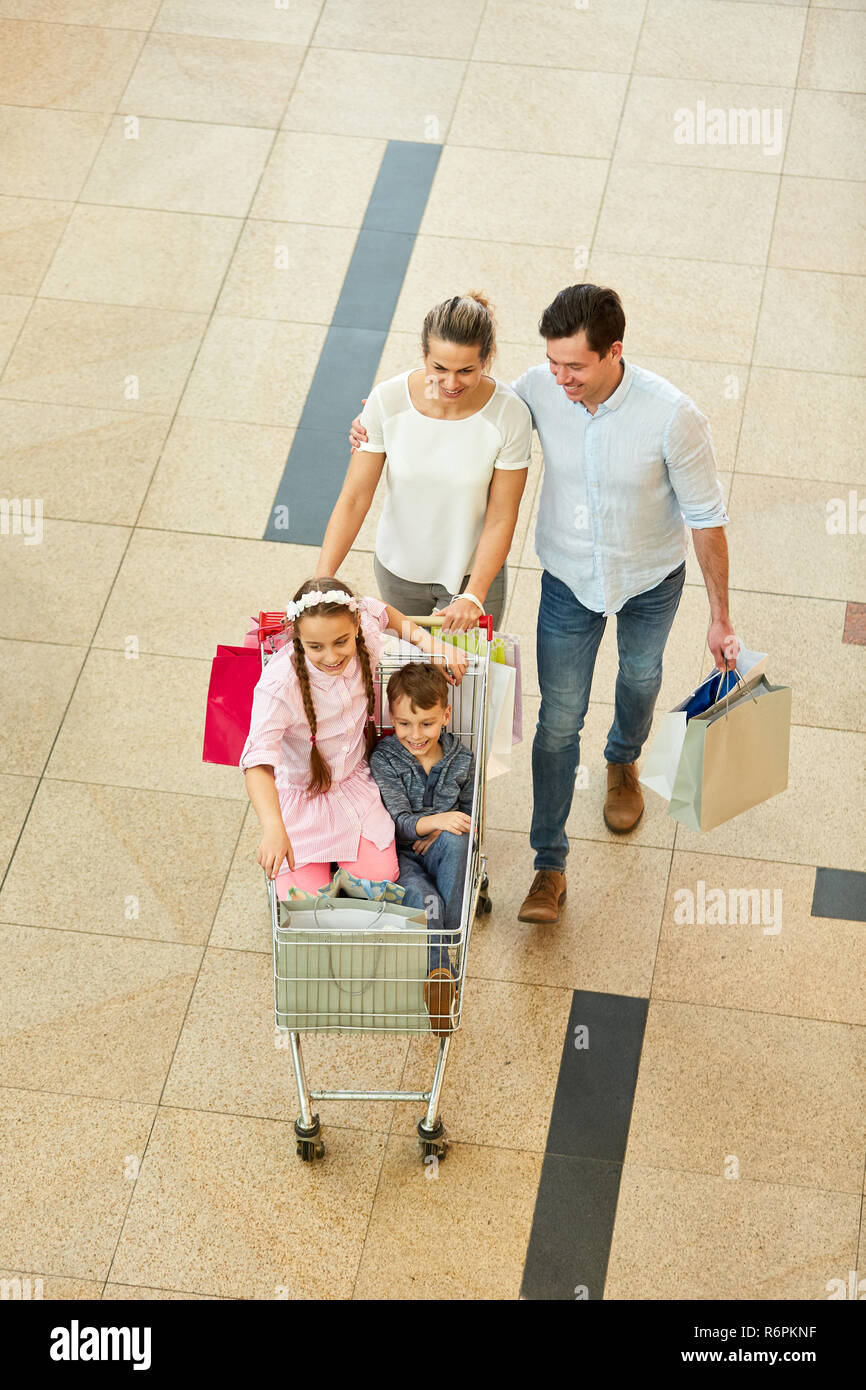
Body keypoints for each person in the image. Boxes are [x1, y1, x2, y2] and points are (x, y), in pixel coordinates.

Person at [511, 284, 735, 924]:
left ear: (614, 352)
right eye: (553, 363)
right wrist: (383, 414)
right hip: (568, 578)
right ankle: (548, 868)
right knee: (557, 720)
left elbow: (706, 518)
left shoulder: (672, 415)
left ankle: (622, 758)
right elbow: (468, 403)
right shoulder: (539, 387)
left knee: (639, 674)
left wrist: (720, 618)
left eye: (575, 366)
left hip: (648, 578)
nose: (560, 378)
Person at [240, 577, 467, 901]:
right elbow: (257, 762)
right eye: (315, 646)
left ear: (356, 625)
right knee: (300, 900)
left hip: (353, 784)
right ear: (297, 636)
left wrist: (431, 644)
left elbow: (383, 611)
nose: (331, 656)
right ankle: (322, 871)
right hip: (301, 797)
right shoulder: (279, 686)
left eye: (341, 641)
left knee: (381, 879)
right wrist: (273, 828)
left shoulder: (367, 637)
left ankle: (342, 869)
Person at [317, 291, 532, 633]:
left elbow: (502, 515)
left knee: (465, 682)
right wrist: (321, 582)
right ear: (423, 354)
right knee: (407, 680)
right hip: (398, 572)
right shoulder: (387, 400)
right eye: (439, 368)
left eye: (466, 370)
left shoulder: (510, 415)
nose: (450, 383)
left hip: (473, 576)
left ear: (487, 358)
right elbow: (355, 497)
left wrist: (474, 595)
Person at [369, 662, 476, 1035]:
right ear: (391, 719)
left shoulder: (462, 761)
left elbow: (465, 814)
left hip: (442, 848)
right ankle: (441, 974)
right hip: (400, 856)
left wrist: (446, 826)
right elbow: (398, 819)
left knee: (459, 838)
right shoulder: (384, 758)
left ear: (446, 715)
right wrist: (437, 820)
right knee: (424, 897)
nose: (415, 735)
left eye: (427, 723)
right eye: (403, 724)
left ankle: (443, 943)